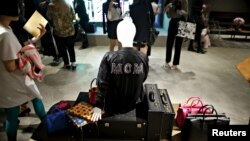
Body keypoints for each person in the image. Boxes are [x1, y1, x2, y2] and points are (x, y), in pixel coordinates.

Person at [0, 1, 46, 141]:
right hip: (15, 80)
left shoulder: (6, 29)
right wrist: (26, 56)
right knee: (36, 98)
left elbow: (19, 48)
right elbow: (11, 66)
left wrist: (37, 38)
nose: (20, 9)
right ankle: (48, 127)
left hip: (8, 82)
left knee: (12, 114)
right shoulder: (5, 34)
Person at [90, 15, 149, 121]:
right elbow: (143, 79)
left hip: (113, 106)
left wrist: (98, 106)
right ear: (134, 35)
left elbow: (102, 83)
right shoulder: (143, 58)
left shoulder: (109, 57)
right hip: (134, 104)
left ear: (118, 36)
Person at [10, 0, 46, 117]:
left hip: (21, 63)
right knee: (35, 96)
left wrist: (38, 36)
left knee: (15, 103)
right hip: (20, 65)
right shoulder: (8, 31)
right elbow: (24, 44)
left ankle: (23, 107)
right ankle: (45, 124)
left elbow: (26, 42)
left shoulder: (9, 28)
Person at [47, 0, 77, 70]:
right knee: (70, 47)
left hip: (58, 31)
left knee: (62, 48)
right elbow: (73, 16)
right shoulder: (68, 3)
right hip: (69, 30)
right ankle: (73, 63)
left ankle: (67, 63)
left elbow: (49, 17)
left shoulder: (51, 5)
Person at [164, 0, 188, 70]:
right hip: (173, 21)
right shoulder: (171, 1)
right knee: (169, 42)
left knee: (178, 44)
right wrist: (167, 8)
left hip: (182, 22)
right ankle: (167, 61)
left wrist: (183, 13)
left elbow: (187, 13)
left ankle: (175, 63)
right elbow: (168, 15)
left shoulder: (184, 1)